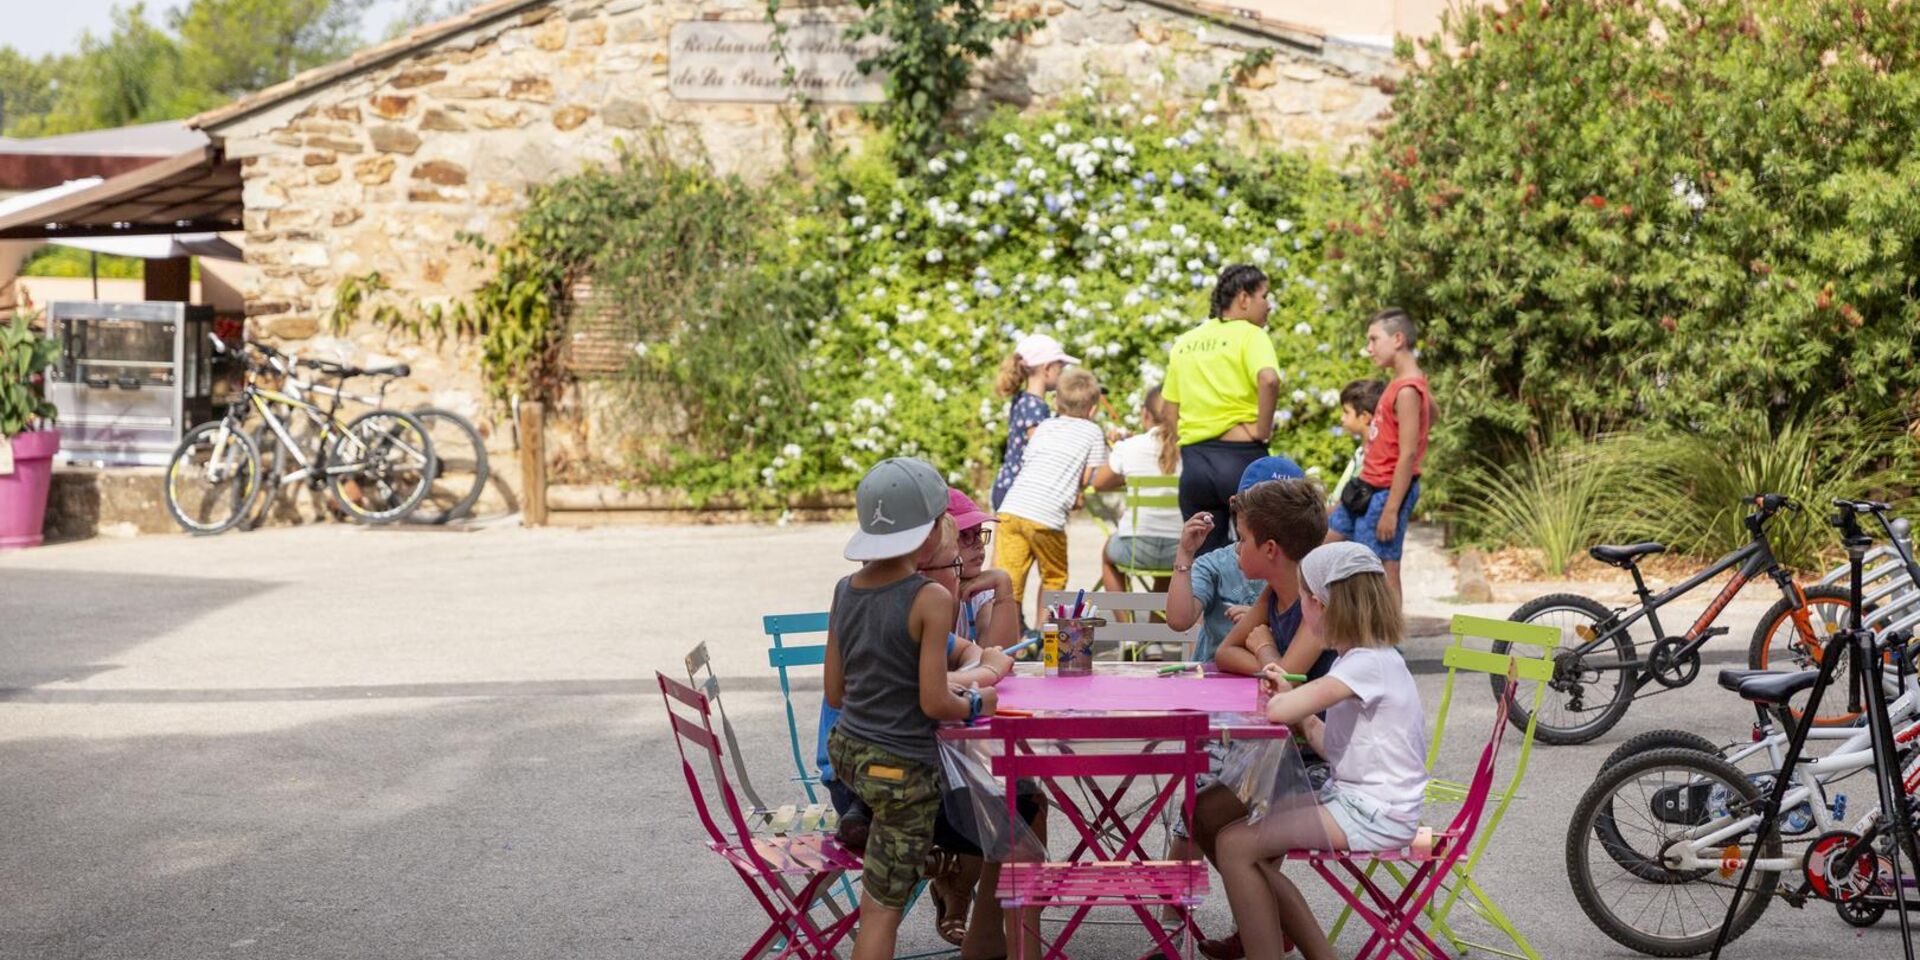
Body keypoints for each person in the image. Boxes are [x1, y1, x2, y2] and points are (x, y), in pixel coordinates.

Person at [823, 458, 1003, 960]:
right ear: (928, 537)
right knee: (882, 912)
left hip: (850, 758)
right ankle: (969, 903)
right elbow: (933, 702)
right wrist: (976, 702)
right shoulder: (928, 598)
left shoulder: (845, 590)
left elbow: (836, 693)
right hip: (901, 773)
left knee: (879, 897)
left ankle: (926, 862)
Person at [1215, 542, 1429, 960]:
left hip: (1375, 812)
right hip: (1368, 803)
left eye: (1304, 599)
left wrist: (1272, 668)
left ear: (1318, 603)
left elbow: (1278, 711)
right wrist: (1299, 707)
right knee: (1244, 848)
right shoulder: (1374, 659)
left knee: (1235, 845)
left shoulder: (1362, 665)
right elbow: (1321, 735)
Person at [1181, 471, 1335, 960]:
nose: (1235, 547)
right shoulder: (1273, 594)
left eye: (1241, 539)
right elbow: (1226, 653)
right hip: (1281, 754)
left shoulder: (1318, 607)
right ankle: (1264, 923)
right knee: (1202, 812)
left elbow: (1283, 687)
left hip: (1322, 762)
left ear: (1270, 549)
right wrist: (1266, 659)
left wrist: (1263, 644)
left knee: (1233, 842)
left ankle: (1263, 933)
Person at [1163, 264, 1281, 557]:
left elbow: (1169, 409)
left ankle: (1206, 606)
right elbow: (1268, 379)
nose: (1269, 305)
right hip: (1241, 459)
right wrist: (1262, 432)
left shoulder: (1186, 342)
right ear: (1244, 298)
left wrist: (1189, 441)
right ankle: (1252, 607)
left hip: (1196, 464)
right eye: (1264, 296)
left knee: (1204, 558)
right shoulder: (1251, 335)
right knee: (1262, 553)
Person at [1328, 308, 1434, 600]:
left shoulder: (1407, 390)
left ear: (1397, 339)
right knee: (1328, 545)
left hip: (1386, 492)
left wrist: (1390, 510)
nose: (1369, 348)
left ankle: (1386, 642)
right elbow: (1432, 415)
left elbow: (1409, 454)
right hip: (1366, 486)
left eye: (1374, 339)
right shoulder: (1403, 384)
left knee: (1381, 567)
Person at [994, 367, 1108, 623]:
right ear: (1093, 410)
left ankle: (1010, 639)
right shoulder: (1092, 432)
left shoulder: (1044, 426)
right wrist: (1076, 495)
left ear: (1056, 402)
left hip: (1011, 509)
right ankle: (1044, 634)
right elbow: (1089, 477)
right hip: (1047, 518)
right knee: (1053, 578)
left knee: (1009, 581)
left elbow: (1030, 462)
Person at [1164, 457, 1301, 665]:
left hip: (1270, 678)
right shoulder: (1217, 564)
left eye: (1283, 511)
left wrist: (1259, 623)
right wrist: (1185, 553)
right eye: (1262, 508)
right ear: (1237, 507)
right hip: (1217, 680)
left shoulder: (1306, 571)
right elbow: (1179, 621)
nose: (1271, 520)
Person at [1089, 384, 1183, 593]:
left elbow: (1099, 483)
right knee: (1168, 573)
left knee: (1108, 555)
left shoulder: (1130, 446)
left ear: (1145, 414)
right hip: (1180, 551)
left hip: (1135, 550)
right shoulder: (1190, 448)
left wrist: (1126, 476)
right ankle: (1155, 624)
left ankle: (1124, 623)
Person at [990, 333, 1079, 510]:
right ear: (1047, 369)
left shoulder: (1023, 399)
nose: (1062, 375)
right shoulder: (1035, 406)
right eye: (1060, 369)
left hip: (1007, 486)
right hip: (1018, 492)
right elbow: (1040, 447)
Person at [1327, 379, 1384, 518]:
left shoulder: (1371, 458)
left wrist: (1322, 515)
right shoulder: (1361, 451)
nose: (1341, 418)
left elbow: (1350, 499)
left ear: (1364, 417)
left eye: (1346, 412)